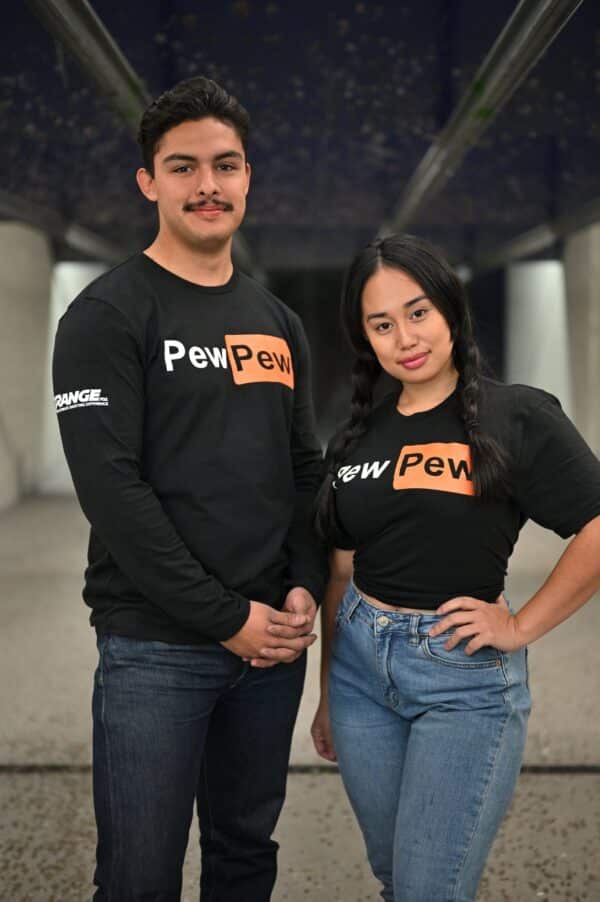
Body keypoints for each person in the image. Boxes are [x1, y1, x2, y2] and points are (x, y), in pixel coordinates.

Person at [53, 76, 325, 902]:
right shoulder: (107, 316)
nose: (208, 184)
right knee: (139, 877)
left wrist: (305, 583)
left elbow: (302, 469)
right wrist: (226, 619)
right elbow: (113, 492)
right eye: (183, 167)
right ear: (149, 182)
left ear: (248, 177)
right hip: (156, 650)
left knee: (245, 858)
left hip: (270, 649)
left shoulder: (278, 323)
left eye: (226, 164)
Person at [310, 233, 600, 902]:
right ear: (365, 336)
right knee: (395, 877)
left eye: (417, 312)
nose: (404, 336)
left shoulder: (517, 414)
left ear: (449, 310)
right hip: (359, 675)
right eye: (381, 323)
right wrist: (328, 687)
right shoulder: (356, 435)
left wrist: (521, 625)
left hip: (461, 682)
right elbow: (341, 568)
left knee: (428, 889)